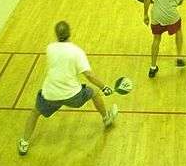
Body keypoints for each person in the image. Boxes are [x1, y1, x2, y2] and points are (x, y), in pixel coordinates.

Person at [17, 21, 118, 155]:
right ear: (70, 33)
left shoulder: (50, 48)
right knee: (94, 92)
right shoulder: (77, 52)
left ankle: (24, 142)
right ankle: (106, 118)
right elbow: (89, 75)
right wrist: (104, 87)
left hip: (50, 95)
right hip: (73, 97)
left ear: (56, 34)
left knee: (35, 112)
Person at [136, 0, 186, 78]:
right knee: (178, 29)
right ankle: (179, 57)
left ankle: (153, 68)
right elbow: (179, 3)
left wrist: (145, 15)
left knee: (156, 39)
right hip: (172, 16)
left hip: (156, 16)